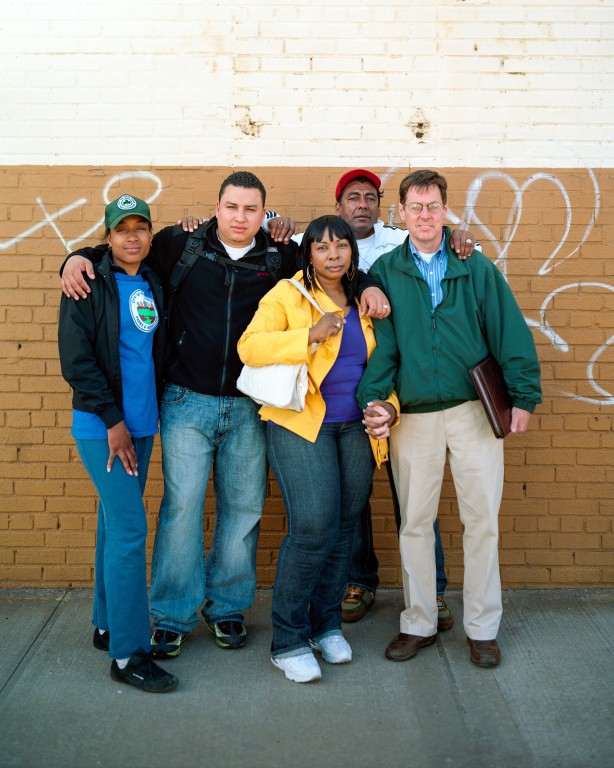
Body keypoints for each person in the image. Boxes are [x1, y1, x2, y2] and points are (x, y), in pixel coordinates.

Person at [60, 172, 389, 660]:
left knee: (242, 510)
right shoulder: (180, 243)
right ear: (217, 208)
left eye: (251, 209)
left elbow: (337, 268)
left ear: (263, 214)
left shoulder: (280, 255)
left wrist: (373, 286)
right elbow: (121, 249)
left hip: (249, 405)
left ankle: (228, 607)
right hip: (184, 401)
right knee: (182, 510)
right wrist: (75, 258)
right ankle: (171, 615)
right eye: (231, 207)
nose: (240, 217)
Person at [262, 170, 479, 628]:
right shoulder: (314, 239)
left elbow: (435, 241)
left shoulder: (399, 238)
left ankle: (432, 591)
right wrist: (274, 221)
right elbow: (255, 234)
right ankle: (357, 582)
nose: (361, 205)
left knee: (412, 498)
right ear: (337, 206)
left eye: (369, 198)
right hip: (341, 407)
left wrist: (457, 233)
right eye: (351, 198)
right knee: (347, 506)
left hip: (404, 392)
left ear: (383, 206)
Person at [357, 170, 542, 668]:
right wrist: (375, 397)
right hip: (413, 416)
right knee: (414, 522)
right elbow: (385, 348)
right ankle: (418, 621)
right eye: (415, 206)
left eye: (432, 206)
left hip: (473, 412)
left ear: (445, 211)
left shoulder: (475, 267)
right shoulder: (388, 272)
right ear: (400, 213)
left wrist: (522, 396)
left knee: (481, 521)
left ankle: (482, 628)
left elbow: (508, 331)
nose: (424, 215)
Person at [237, 215, 399, 683]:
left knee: (345, 527)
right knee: (312, 527)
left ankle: (326, 625)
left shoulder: (368, 301)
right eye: (322, 248)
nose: (333, 255)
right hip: (301, 425)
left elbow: (387, 365)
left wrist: (388, 408)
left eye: (341, 246)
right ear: (307, 253)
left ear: (352, 251)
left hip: (356, 429)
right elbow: (250, 347)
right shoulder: (288, 294)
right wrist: (308, 334)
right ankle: (288, 639)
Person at [58, 195, 177, 693]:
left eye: (141, 228)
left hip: (143, 425)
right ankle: (129, 654)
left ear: (151, 235)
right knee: (130, 532)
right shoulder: (87, 282)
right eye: (121, 229)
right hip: (105, 429)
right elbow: (76, 361)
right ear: (107, 237)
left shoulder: (151, 280)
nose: (132, 236)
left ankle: (106, 624)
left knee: (113, 525)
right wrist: (112, 420)